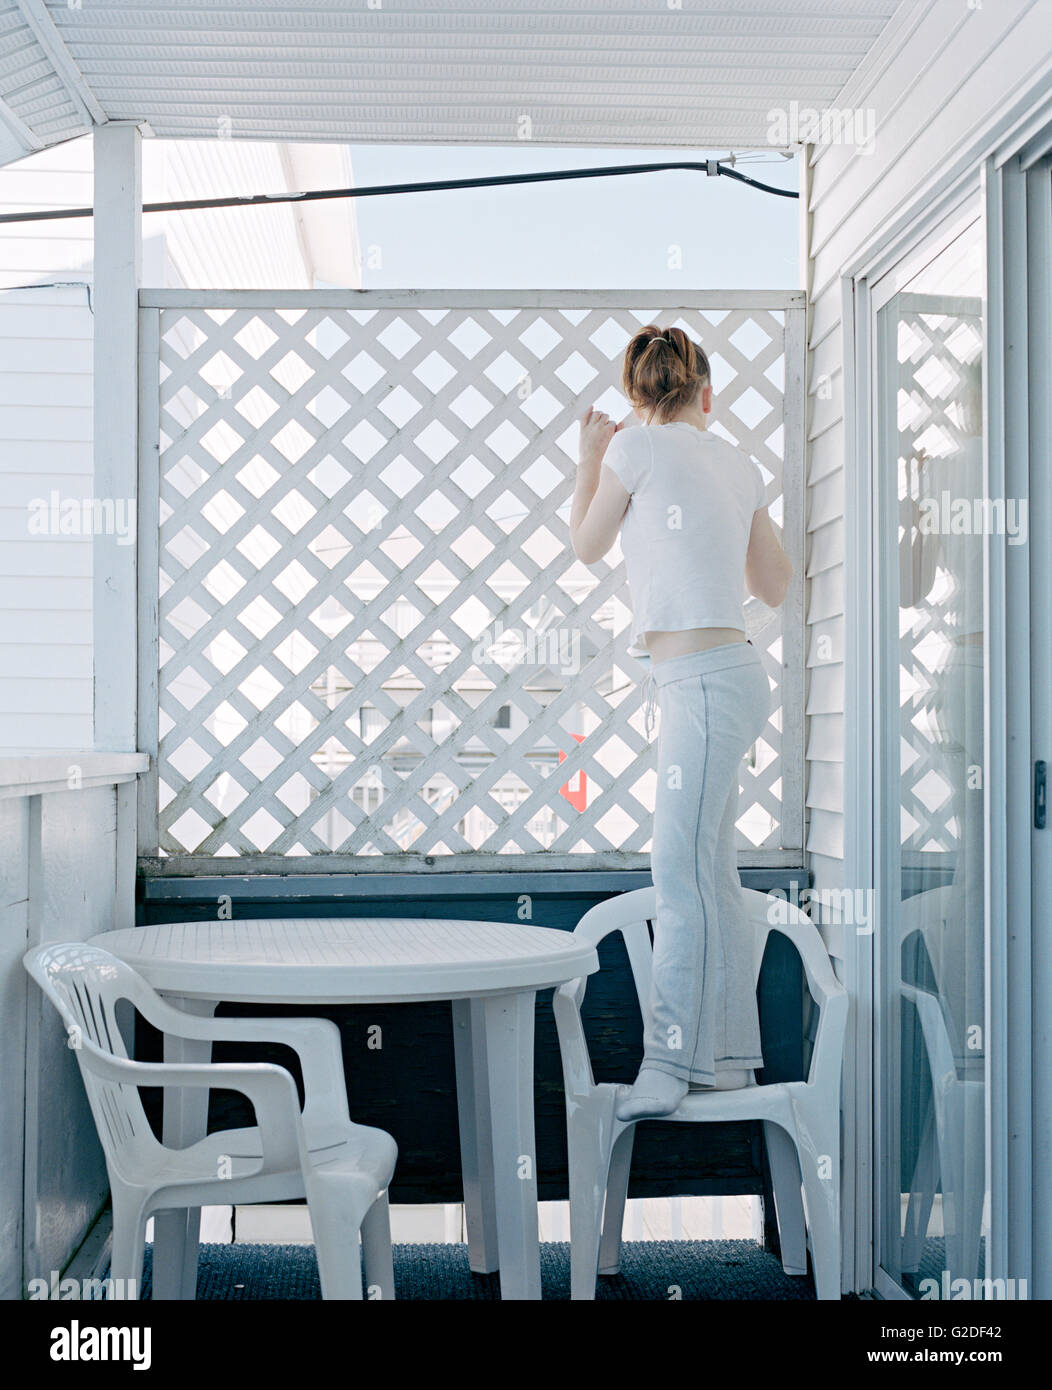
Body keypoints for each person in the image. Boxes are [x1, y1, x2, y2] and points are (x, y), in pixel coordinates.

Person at [570, 325, 792, 1121]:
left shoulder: (634, 451)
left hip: (698, 684)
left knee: (678, 870)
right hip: (731, 677)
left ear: (636, 399)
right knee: (712, 870)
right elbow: (774, 586)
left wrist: (590, 455)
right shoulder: (739, 463)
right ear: (708, 394)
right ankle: (728, 1058)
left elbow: (587, 545)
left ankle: (668, 1061)